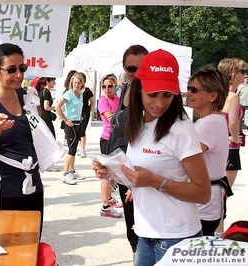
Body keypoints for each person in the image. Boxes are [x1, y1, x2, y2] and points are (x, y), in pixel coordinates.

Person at [93, 49, 211, 266]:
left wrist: (157, 182)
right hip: (145, 232)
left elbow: (203, 193)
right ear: (139, 90)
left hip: (177, 236)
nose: (159, 103)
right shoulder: (138, 125)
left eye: (167, 94)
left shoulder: (181, 129)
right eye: (152, 94)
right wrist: (110, 171)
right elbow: (139, 174)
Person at [0, 43, 45, 237]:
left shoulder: (25, 95)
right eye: (11, 70)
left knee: (32, 243)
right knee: (4, 248)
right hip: (1, 188)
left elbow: (36, 137)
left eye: (22, 68)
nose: (19, 75)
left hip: (32, 184)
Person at [106, 44, 149, 255]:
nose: (137, 73)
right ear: (124, 68)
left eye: (143, 67)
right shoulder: (127, 87)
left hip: (138, 173)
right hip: (123, 169)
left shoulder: (150, 96)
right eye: (132, 69)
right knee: (132, 228)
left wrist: (135, 182)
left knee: (140, 231)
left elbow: (150, 141)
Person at [185, 65, 230, 236]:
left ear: (212, 95)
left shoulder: (207, 124)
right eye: (189, 88)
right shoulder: (215, 120)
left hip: (202, 206)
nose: (188, 93)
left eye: (194, 90)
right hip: (210, 203)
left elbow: (184, 158)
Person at [216, 58, 248, 235]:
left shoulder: (217, 93)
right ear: (235, 75)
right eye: (243, 72)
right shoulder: (233, 96)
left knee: (217, 189)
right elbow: (234, 123)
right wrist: (236, 139)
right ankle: (218, 232)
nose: (245, 75)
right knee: (222, 191)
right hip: (230, 146)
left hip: (218, 146)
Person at [97, 73, 123, 218]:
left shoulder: (118, 100)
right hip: (107, 139)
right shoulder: (103, 100)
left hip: (117, 139)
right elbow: (111, 118)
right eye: (104, 86)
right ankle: (105, 206)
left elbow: (122, 116)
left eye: (109, 86)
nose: (106, 89)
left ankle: (109, 199)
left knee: (113, 173)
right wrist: (117, 115)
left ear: (115, 86)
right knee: (106, 174)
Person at [55, 72, 86, 185]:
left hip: (78, 123)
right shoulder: (68, 94)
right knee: (71, 150)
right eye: (75, 83)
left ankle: (72, 171)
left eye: (79, 83)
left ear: (82, 84)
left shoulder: (81, 94)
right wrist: (65, 119)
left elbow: (80, 106)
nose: (76, 85)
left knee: (74, 148)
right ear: (72, 83)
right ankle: (65, 174)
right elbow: (58, 107)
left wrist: (81, 115)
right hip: (70, 124)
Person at [38, 77, 60, 172]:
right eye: (53, 81)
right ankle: (49, 164)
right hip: (46, 116)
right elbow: (46, 107)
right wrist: (55, 108)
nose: (54, 83)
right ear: (48, 82)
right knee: (51, 139)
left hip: (41, 116)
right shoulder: (46, 92)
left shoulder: (41, 91)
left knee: (45, 140)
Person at [77, 79, 94, 158]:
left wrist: (89, 110)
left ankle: (83, 149)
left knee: (82, 131)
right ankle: (80, 148)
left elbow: (92, 102)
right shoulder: (74, 91)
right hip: (76, 114)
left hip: (85, 113)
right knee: (78, 131)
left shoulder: (87, 91)